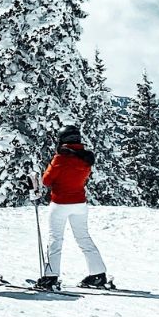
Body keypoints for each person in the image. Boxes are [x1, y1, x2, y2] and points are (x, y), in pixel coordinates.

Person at [34, 124, 112, 291]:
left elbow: (46, 181)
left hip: (60, 203)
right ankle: (98, 274)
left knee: (55, 239)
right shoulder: (86, 159)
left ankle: (51, 277)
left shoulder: (59, 159)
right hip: (80, 204)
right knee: (83, 238)